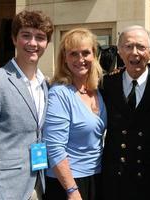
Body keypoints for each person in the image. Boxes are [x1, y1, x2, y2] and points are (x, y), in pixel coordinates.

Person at [0, 10, 53, 200]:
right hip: (6, 188)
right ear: (14, 39)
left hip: (38, 186)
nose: (33, 43)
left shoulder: (46, 85)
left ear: (46, 43)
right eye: (26, 35)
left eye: (40, 37)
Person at [101, 25, 150, 200]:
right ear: (119, 52)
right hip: (114, 182)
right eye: (128, 46)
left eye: (141, 47)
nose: (135, 52)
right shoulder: (106, 85)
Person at [43, 28, 107, 200]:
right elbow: (54, 147)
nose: (81, 59)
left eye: (86, 53)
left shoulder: (97, 91)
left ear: (94, 55)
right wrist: (72, 190)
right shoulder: (60, 93)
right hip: (68, 183)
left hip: (95, 177)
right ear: (64, 58)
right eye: (73, 54)